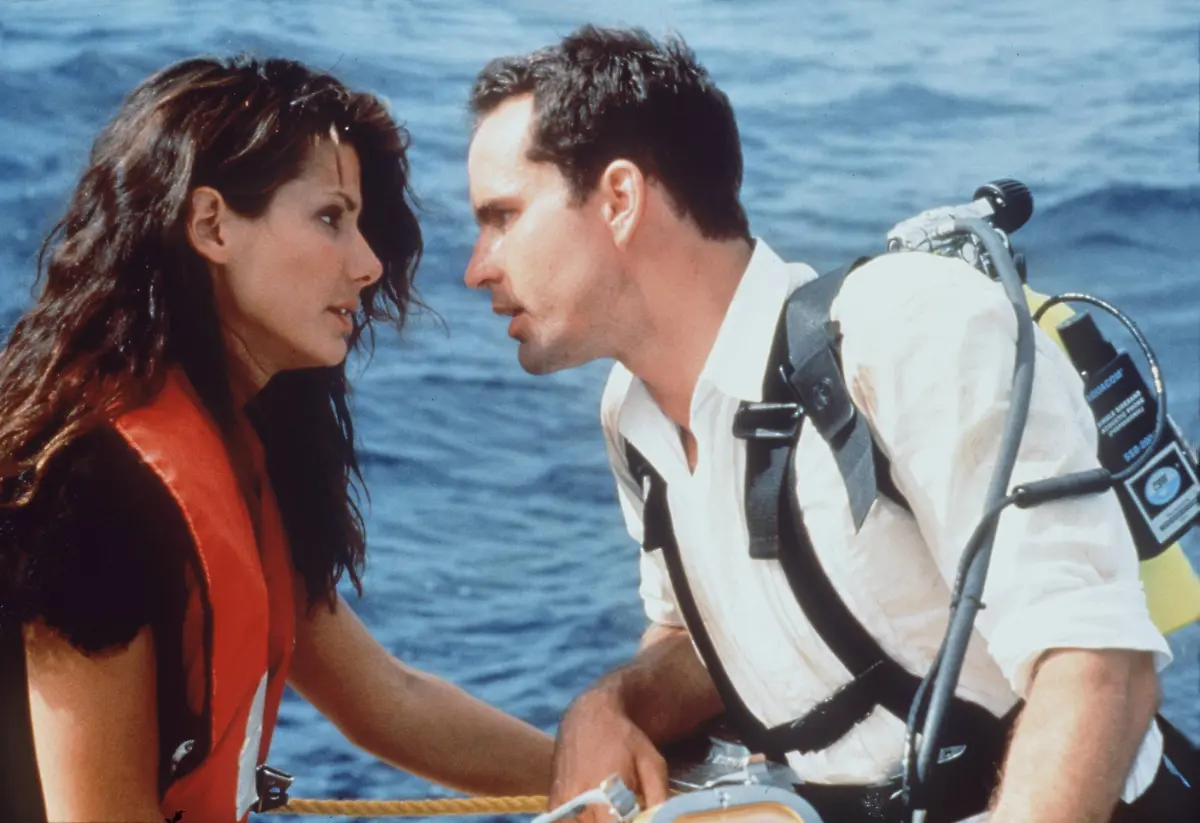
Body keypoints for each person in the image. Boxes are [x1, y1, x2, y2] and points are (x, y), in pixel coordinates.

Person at [463, 25, 1196, 823]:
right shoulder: (632, 416)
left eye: (502, 216)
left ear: (619, 199)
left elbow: (1100, 669)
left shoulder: (905, 331)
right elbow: (711, 640)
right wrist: (613, 704)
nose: (475, 267)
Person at [0, 55, 552, 823]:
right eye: (331, 218)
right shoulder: (86, 489)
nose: (368, 264)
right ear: (212, 225)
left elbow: (389, 699)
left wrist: (632, 784)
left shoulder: (246, 449)